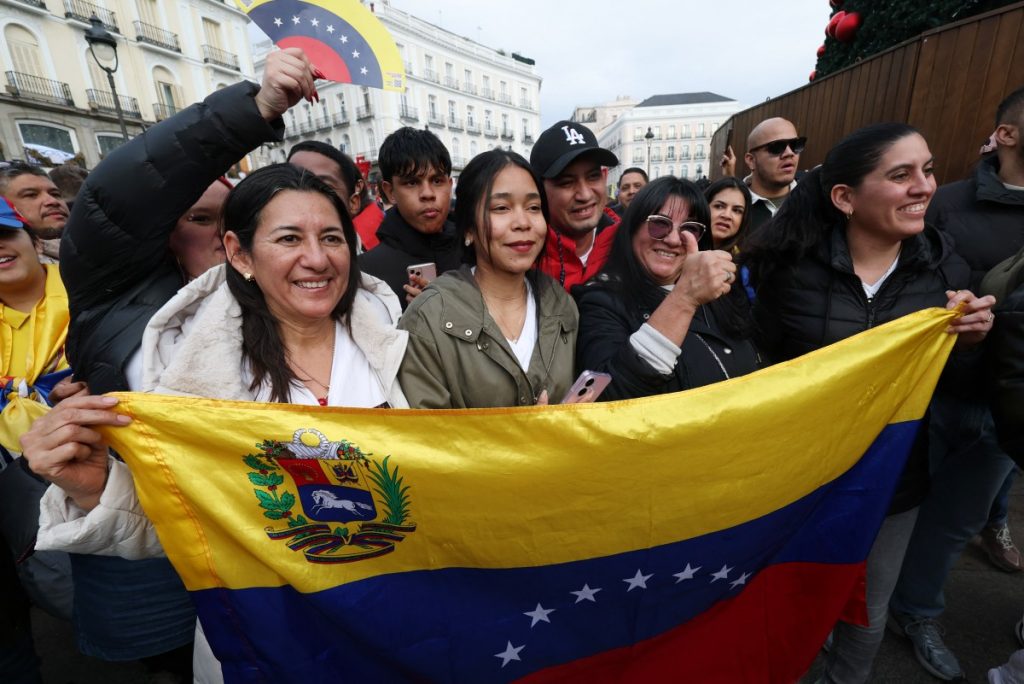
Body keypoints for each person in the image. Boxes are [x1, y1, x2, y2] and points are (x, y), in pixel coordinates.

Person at [22, 164, 409, 683]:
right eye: (289, 238)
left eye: (332, 237)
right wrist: (95, 487)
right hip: (269, 635)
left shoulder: (398, 341)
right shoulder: (188, 373)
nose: (316, 258)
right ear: (239, 252)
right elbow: (184, 525)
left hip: (398, 622)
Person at [53, 48, 315, 681]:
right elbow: (117, 199)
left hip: (268, 558)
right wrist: (254, 110)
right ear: (156, 233)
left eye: (234, 222)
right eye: (200, 220)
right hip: (145, 558)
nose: (224, 238)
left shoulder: (281, 299)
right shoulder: (111, 291)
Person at [740, 123, 993, 684]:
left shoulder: (947, 275)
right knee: (787, 596)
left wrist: (973, 344)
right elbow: (755, 372)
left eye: (927, 170)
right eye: (900, 175)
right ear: (845, 198)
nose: (923, 187)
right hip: (799, 479)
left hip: (894, 483)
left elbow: (955, 385)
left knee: (866, 613)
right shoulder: (790, 271)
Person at [887, 86, 1024, 681]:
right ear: (1009, 133)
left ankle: (916, 612)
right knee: (892, 510)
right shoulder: (946, 204)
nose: (917, 184)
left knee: (955, 523)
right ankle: (861, 614)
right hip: (932, 395)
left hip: (1009, 412)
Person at [398, 149, 576, 408]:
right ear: (469, 227)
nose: (523, 222)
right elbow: (429, 440)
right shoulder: (428, 318)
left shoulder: (562, 306)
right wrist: (529, 437)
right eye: (501, 208)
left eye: (534, 207)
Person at [574, 177, 759, 401]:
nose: (673, 239)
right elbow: (606, 400)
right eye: (659, 223)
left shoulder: (718, 291)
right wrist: (685, 297)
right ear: (632, 228)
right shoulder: (599, 301)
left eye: (689, 229)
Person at [0, 198, 75, 683]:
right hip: (19, 486)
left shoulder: (92, 288)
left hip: (107, 467)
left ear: (30, 237)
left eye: (4, 234)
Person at [358, 127, 462, 308]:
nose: (428, 194)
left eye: (437, 181)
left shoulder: (475, 253)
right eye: (412, 182)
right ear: (390, 192)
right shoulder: (366, 272)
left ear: (450, 185)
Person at [530, 120, 620, 290]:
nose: (585, 195)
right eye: (566, 183)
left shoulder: (630, 245)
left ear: (605, 176)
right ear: (539, 190)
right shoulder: (522, 259)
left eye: (593, 177)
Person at [743, 117, 804, 231]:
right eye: (777, 147)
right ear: (751, 160)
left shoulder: (815, 201)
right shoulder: (731, 208)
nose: (789, 153)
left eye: (795, 145)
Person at [0, 162, 69, 262]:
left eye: (55, 194)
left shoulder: (96, 241)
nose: (53, 201)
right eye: (31, 195)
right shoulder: (10, 269)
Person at [704, 176, 752, 251]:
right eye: (719, 206)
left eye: (736, 211)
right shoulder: (681, 247)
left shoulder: (745, 260)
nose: (727, 215)